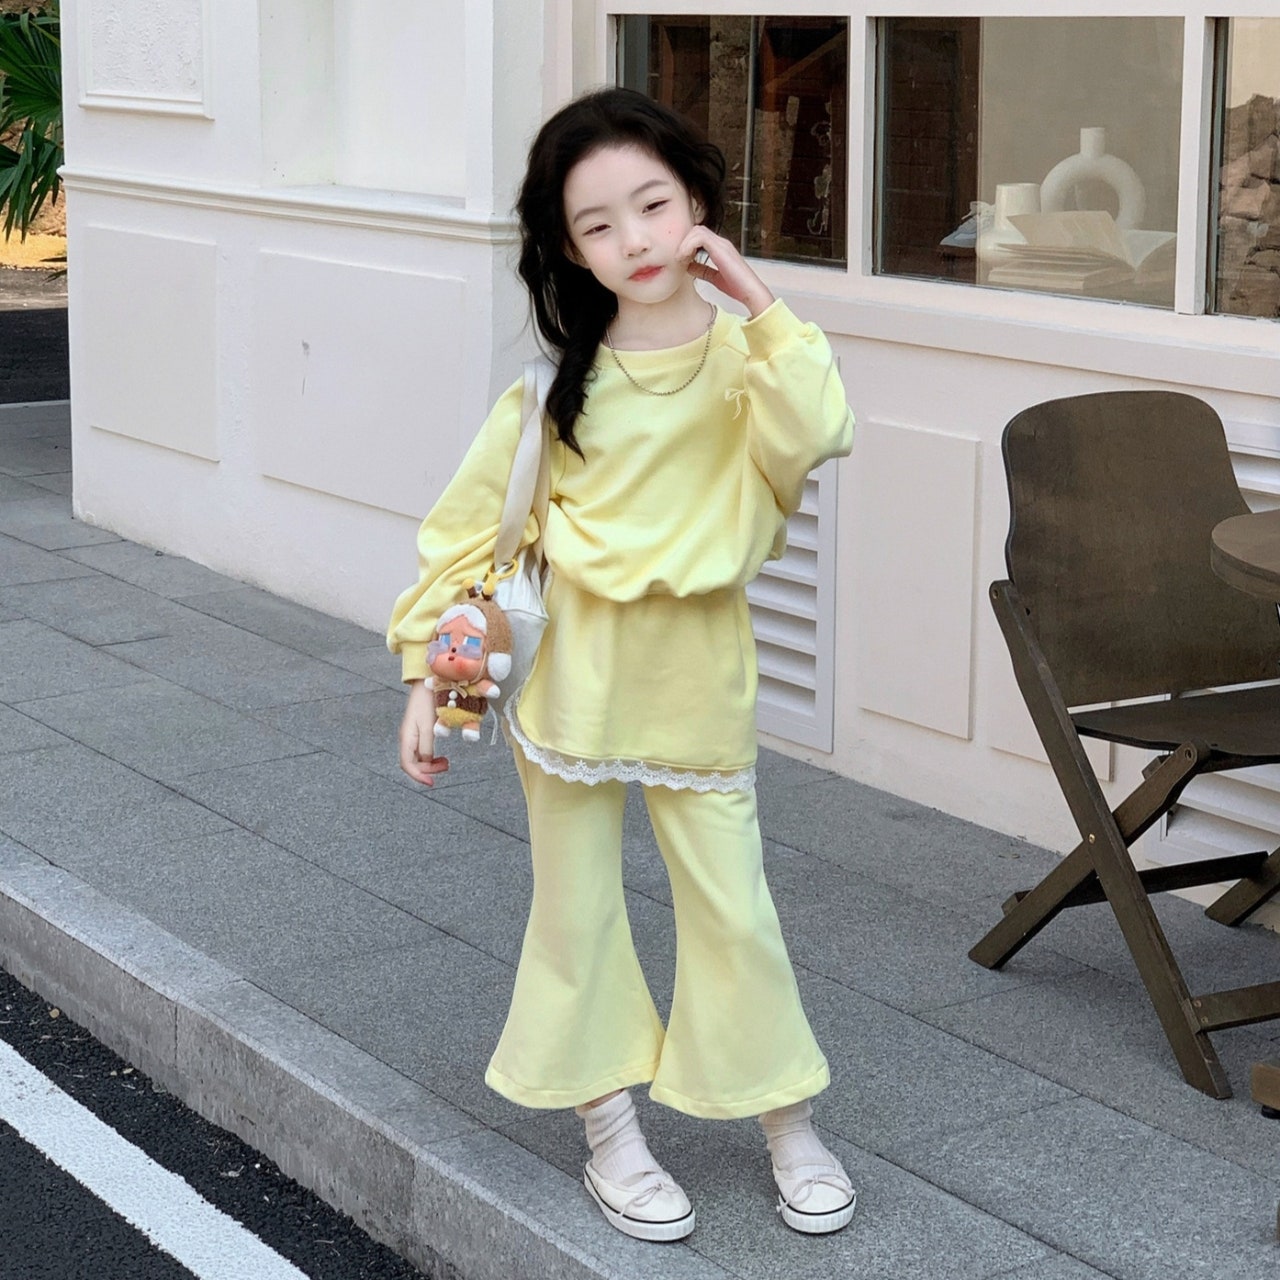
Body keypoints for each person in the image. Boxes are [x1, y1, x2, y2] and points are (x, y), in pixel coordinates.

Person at [388, 87, 855, 1242]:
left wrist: (757, 298)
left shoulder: (752, 362)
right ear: (567, 249)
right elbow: (469, 544)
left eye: (653, 204)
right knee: (576, 910)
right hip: (572, 680)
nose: (634, 239)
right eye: (596, 224)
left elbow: (818, 430)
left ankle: (786, 1121)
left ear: (696, 200)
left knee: (733, 908)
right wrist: (435, 686)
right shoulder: (555, 388)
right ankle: (609, 1128)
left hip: (698, 673)